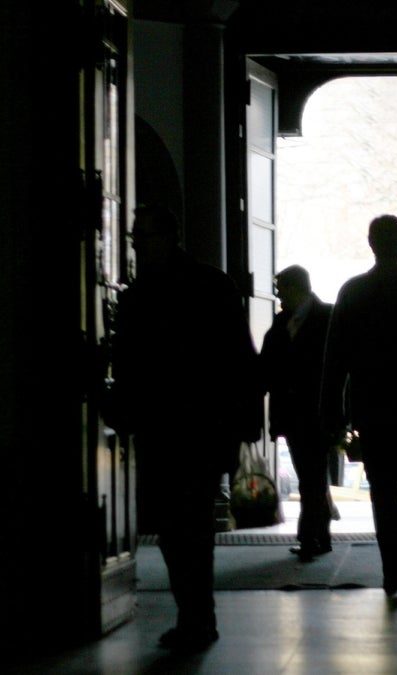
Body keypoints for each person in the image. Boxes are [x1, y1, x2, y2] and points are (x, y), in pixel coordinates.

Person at [108, 204, 262, 652]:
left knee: (179, 532)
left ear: (167, 238)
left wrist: (122, 413)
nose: (137, 245)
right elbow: (241, 359)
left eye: (142, 237)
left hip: (165, 428)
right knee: (190, 529)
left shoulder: (139, 296)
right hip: (204, 427)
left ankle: (195, 617)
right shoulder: (214, 285)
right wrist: (245, 422)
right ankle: (198, 617)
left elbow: (131, 366)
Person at [319, 214, 397, 596]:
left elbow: (335, 357)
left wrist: (332, 411)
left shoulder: (353, 290)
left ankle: (393, 559)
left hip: (372, 404)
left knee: (382, 485)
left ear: (371, 243)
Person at [260, 264, 336, 561]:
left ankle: (310, 537)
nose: (279, 297)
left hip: (310, 411)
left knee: (311, 475)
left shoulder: (288, 323)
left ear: (296, 289)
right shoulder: (325, 317)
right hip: (303, 412)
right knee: (314, 474)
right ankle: (319, 535)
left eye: (281, 290)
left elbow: (266, 368)